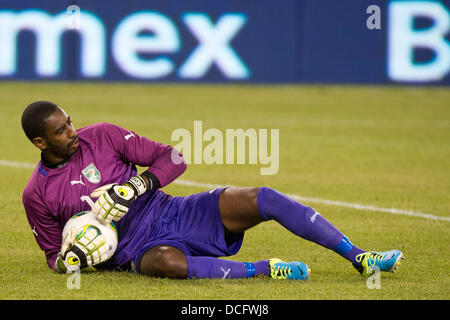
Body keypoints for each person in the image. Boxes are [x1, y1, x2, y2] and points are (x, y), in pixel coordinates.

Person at [21, 101, 404, 280]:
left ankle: (360, 257)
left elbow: (174, 157)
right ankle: (265, 270)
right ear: (41, 142)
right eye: (61, 131)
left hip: (174, 211)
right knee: (166, 265)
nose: (73, 132)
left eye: (70, 123)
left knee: (262, 197)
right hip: (136, 250)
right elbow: (55, 255)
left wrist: (137, 185)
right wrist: (77, 259)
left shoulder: (102, 135)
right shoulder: (36, 194)